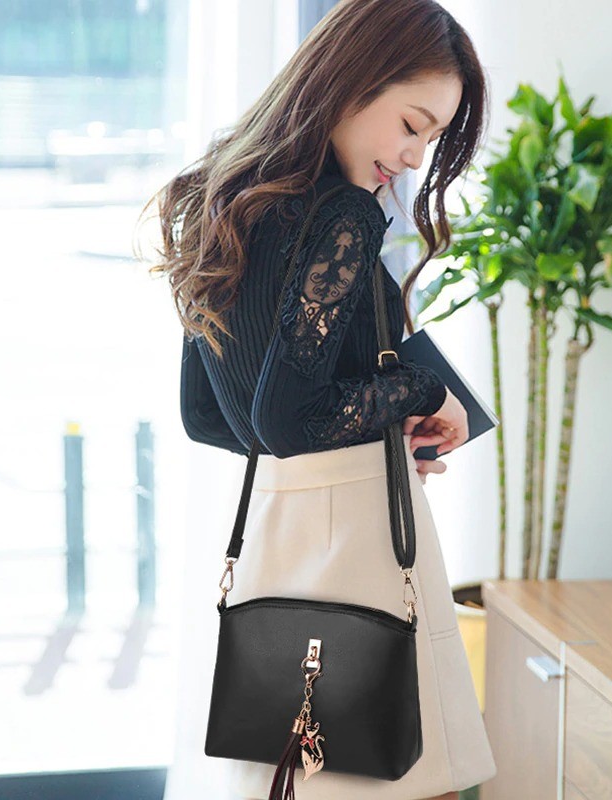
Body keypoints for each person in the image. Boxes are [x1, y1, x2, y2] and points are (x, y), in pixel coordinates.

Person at [143, 1, 496, 797]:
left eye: (432, 140)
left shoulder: (221, 195)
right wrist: (425, 388)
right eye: (411, 125)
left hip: (279, 538)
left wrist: (371, 432)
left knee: (302, 778)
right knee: (405, 776)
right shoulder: (343, 214)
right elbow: (289, 417)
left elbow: (211, 417)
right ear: (352, 80)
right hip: (361, 549)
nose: (412, 157)